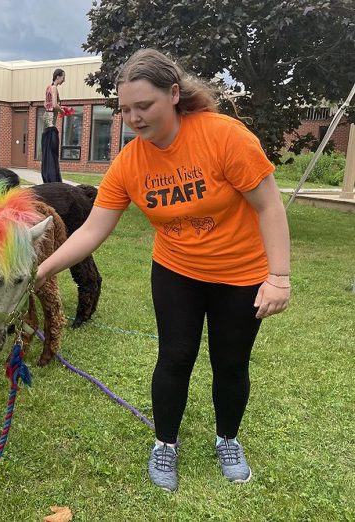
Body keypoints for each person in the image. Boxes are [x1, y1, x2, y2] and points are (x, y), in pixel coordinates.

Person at [35, 49, 290, 492]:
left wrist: (278, 277)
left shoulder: (224, 137)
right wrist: (41, 269)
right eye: (125, 109)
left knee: (230, 363)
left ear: (174, 94)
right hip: (177, 271)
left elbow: (268, 205)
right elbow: (93, 228)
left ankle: (228, 439)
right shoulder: (131, 162)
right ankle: (165, 444)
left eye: (144, 106)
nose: (133, 118)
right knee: (174, 357)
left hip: (241, 272)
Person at [41, 68, 66, 183]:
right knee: (52, 150)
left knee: (47, 150)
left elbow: (45, 103)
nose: (63, 80)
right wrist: (62, 111)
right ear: (58, 76)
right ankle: (53, 178)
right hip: (51, 121)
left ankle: (47, 175)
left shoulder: (48, 87)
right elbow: (55, 105)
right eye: (63, 77)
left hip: (47, 119)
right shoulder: (54, 88)